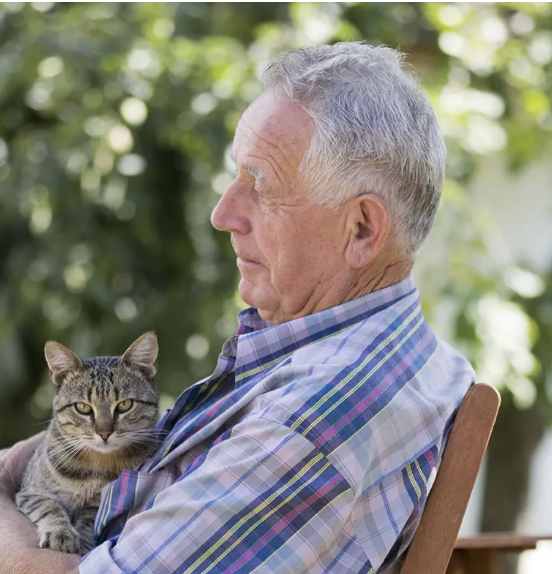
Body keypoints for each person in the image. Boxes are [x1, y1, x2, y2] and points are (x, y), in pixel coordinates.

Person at [0, 43, 475, 574]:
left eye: (261, 185)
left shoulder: (314, 413)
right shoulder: (400, 351)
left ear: (362, 228)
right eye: (234, 178)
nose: (223, 214)